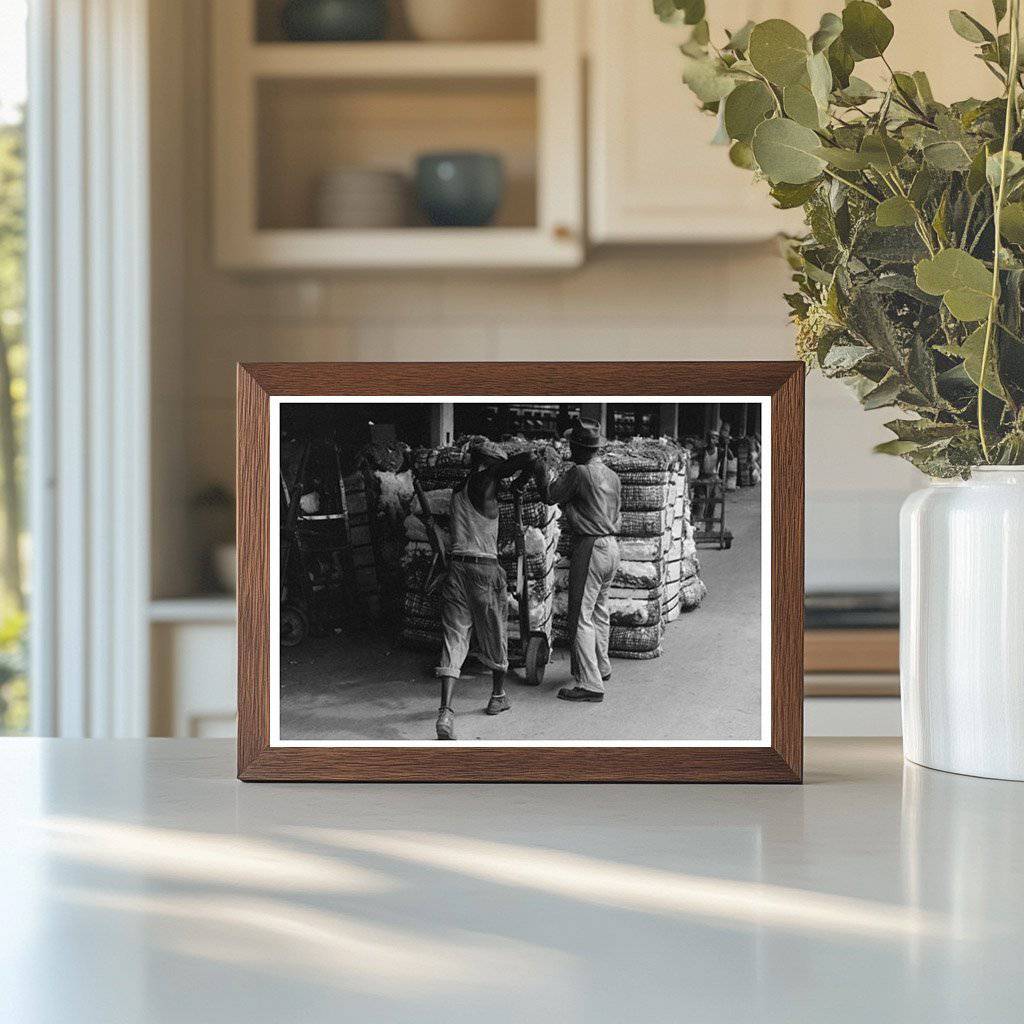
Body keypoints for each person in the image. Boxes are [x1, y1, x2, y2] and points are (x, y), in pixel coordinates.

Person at [434, 439, 535, 741]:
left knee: (454, 637)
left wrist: (516, 484)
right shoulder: (485, 479)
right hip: (484, 569)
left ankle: (445, 712)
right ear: (490, 465)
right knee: (495, 632)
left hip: (457, 567)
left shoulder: (458, 488)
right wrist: (524, 475)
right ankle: (498, 695)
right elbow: (528, 458)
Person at [534, 418, 621, 703]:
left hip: (591, 546)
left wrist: (539, 470)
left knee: (580, 616)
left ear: (579, 448)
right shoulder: (612, 475)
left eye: (572, 445)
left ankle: (590, 683)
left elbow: (549, 496)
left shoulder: (579, 473)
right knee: (599, 611)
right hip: (611, 546)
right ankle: (602, 666)